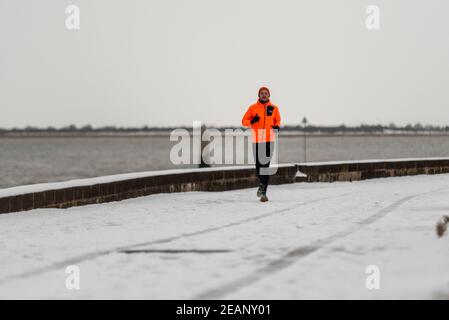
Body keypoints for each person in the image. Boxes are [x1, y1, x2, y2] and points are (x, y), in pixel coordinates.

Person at [241, 87, 281, 202]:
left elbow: (277, 120)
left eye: (266, 93)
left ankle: (264, 193)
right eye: (262, 93)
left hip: (269, 140)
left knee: (265, 167)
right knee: (259, 167)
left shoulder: (274, 108)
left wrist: (277, 126)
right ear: (259, 95)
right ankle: (261, 184)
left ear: (269, 95)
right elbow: (243, 121)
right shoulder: (252, 108)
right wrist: (252, 121)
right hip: (257, 140)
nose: (264, 95)